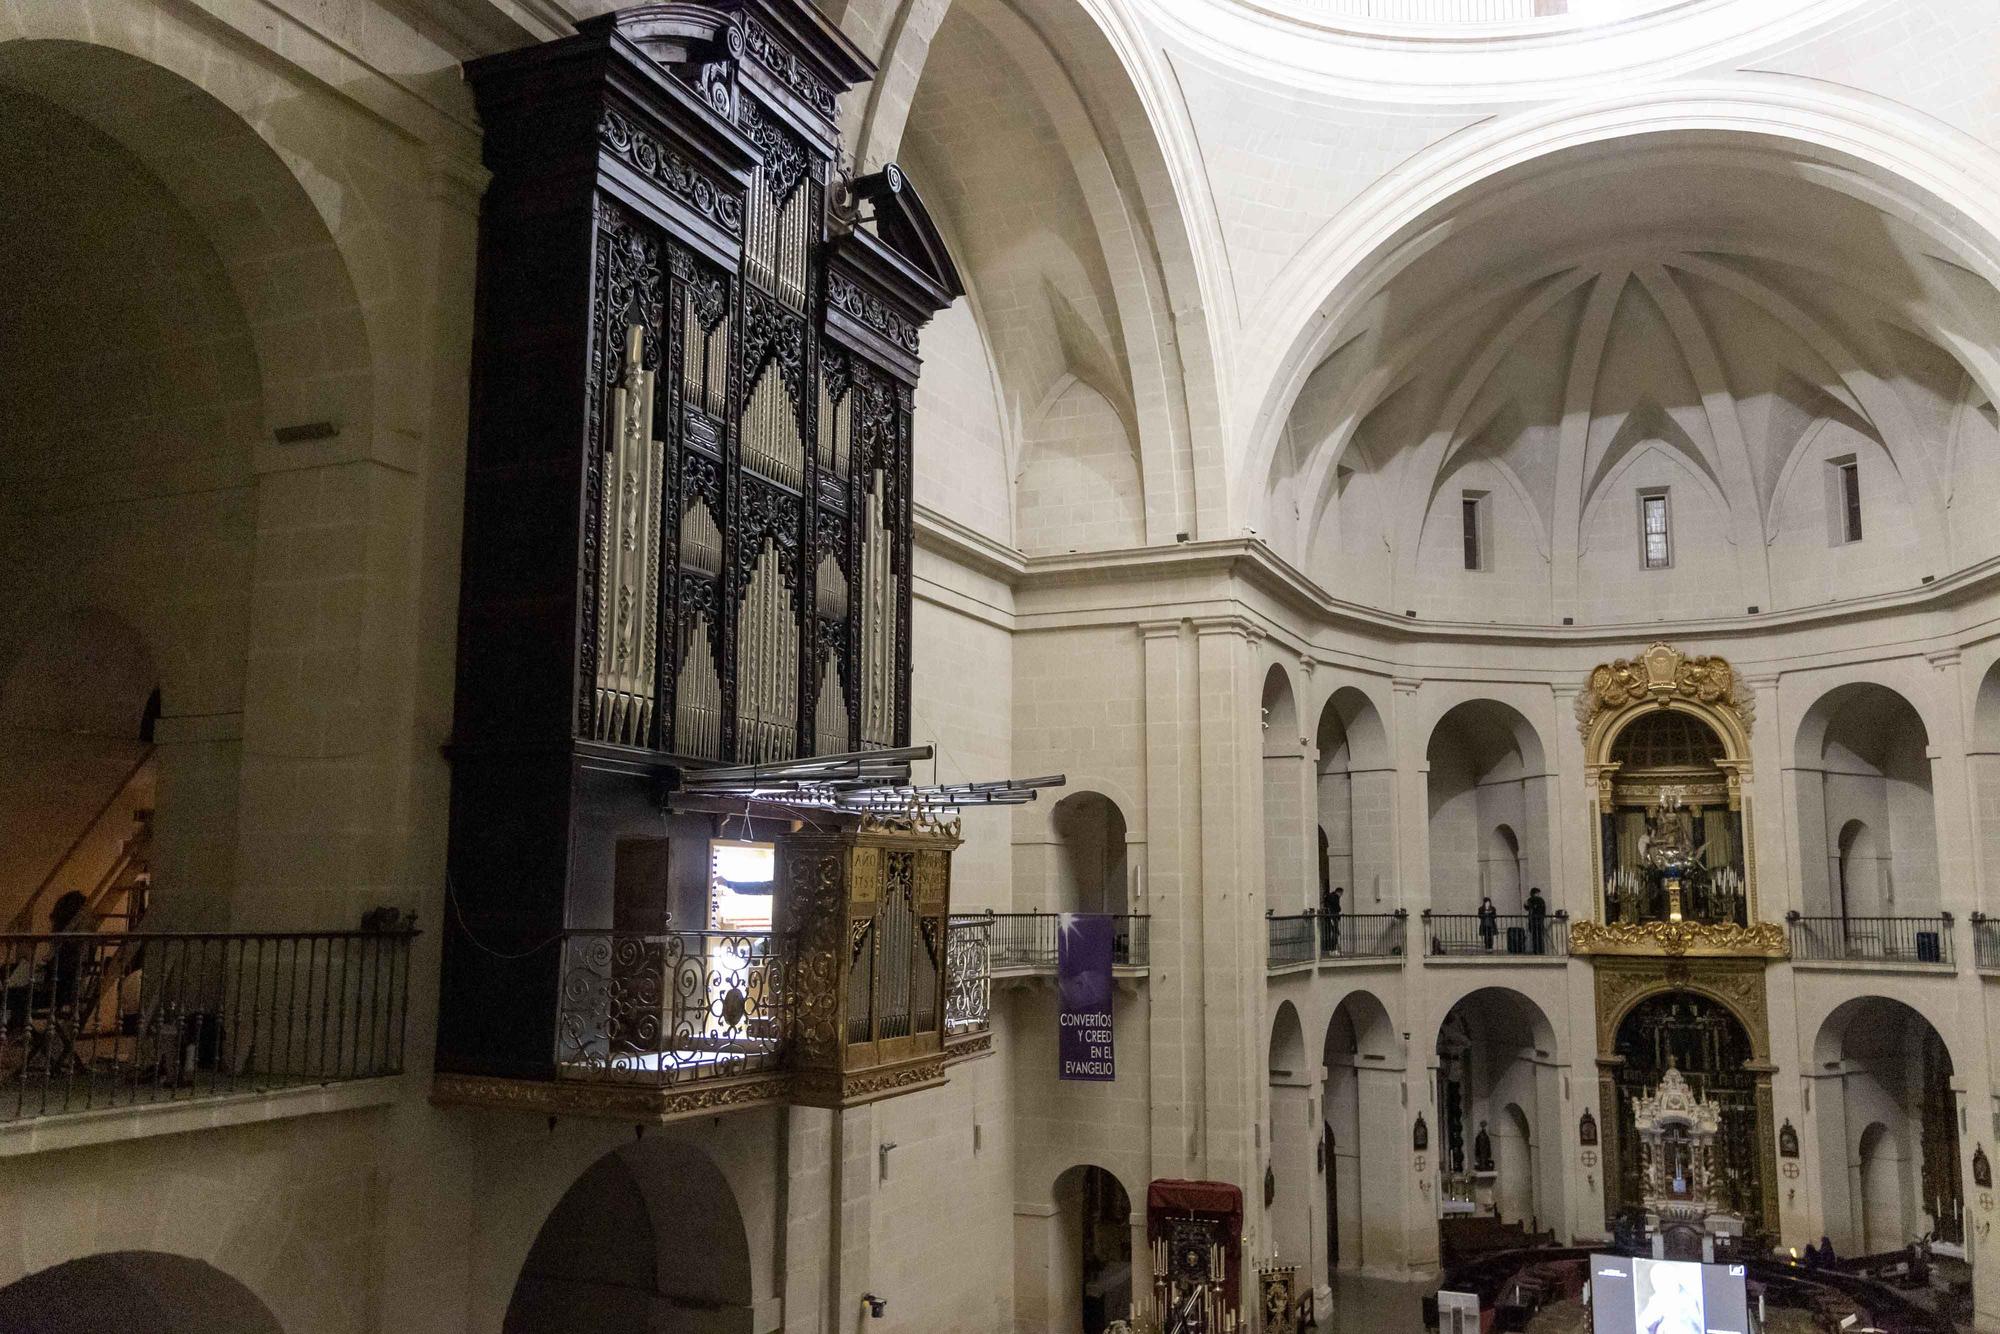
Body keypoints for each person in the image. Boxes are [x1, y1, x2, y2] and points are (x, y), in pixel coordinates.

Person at [1525, 886, 1548, 954]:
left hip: (1535, 920)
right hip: (1536, 920)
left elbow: (1527, 907)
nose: (1538, 894)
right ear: (1534, 893)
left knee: (1536, 937)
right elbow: (1528, 908)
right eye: (1537, 893)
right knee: (1538, 936)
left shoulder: (1533, 900)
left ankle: (1537, 950)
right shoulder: (1538, 900)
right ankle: (1539, 950)